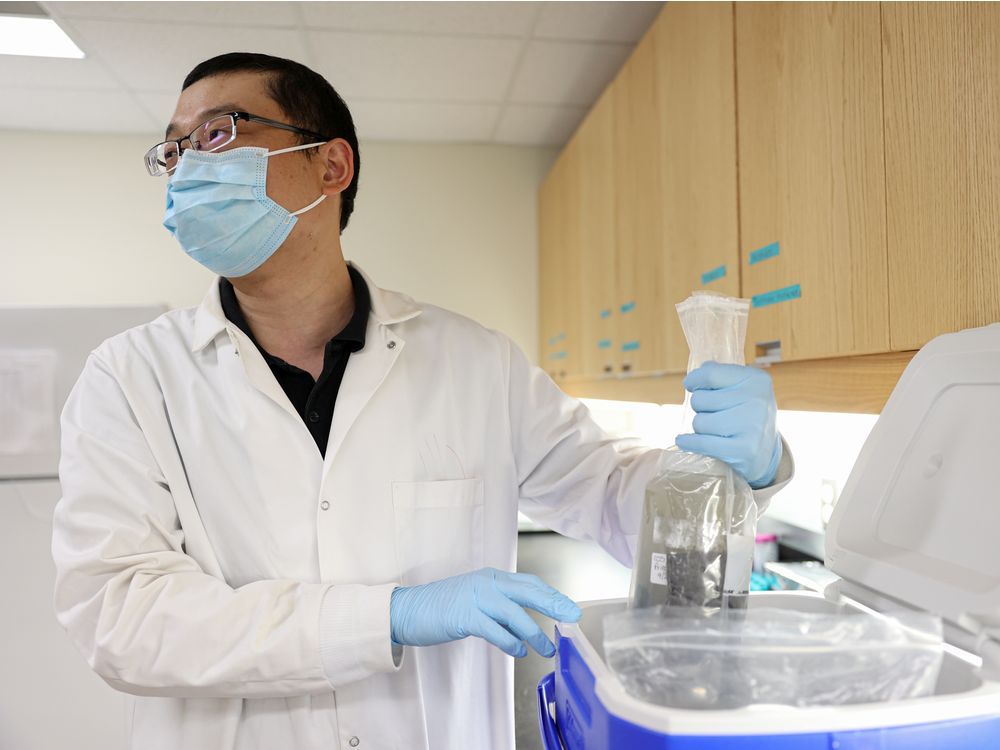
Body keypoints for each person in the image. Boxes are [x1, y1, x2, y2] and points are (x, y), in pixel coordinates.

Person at [52, 52, 792, 750]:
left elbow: (611, 497)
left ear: (329, 164)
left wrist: (743, 473)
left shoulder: (475, 363)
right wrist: (389, 616)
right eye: (174, 151)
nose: (187, 167)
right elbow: (121, 619)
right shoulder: (130, 378)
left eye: (217, 133)